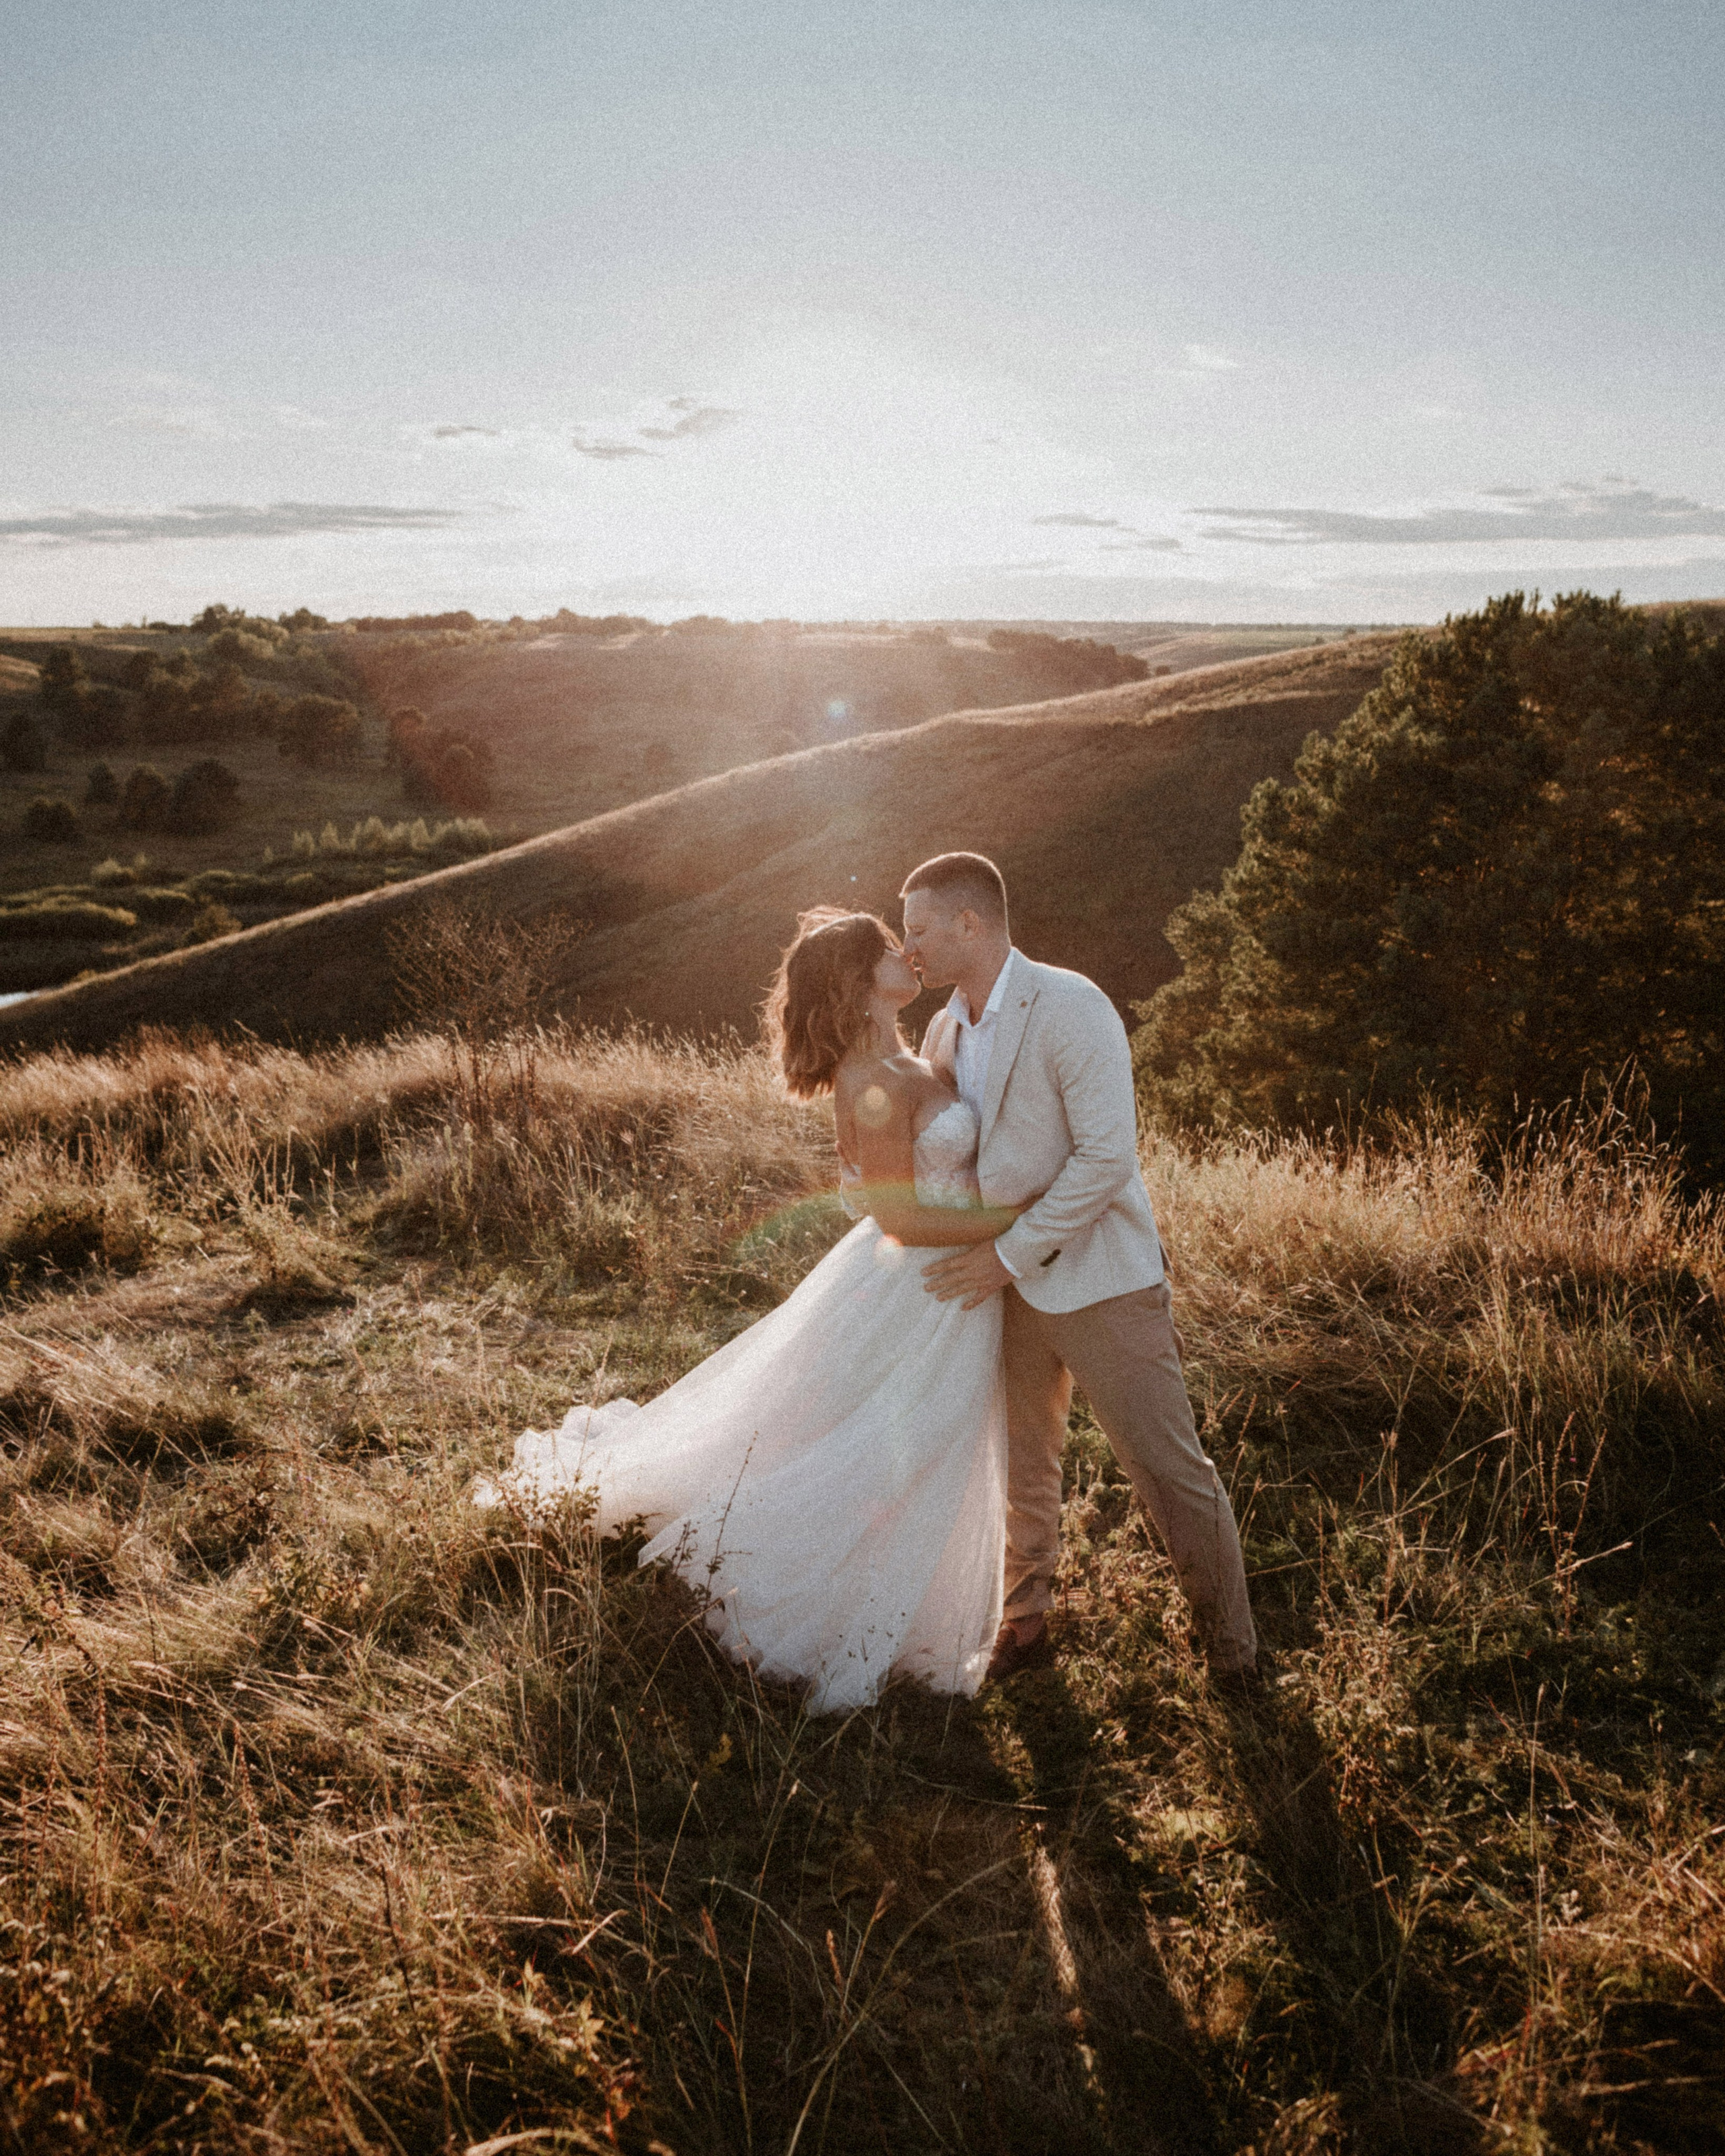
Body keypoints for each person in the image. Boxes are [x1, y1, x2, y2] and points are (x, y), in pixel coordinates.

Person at [474, 908, 1018, 1713]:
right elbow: (899, 1216)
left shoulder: (925, 1050)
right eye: (885, 946)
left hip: (957, 1283)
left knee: (936, 1438)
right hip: (919, 1285)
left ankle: (913, 1610)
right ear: (858, 976)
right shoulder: (866, 1081)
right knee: (898, 1439)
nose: (906, 952)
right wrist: (1016, 1226)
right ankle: (817, 1595)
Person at [899, 852, 1259, 1688]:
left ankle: (1234, 1653)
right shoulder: (943, 1029)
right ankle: (1025, 1619)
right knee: (1023, 1460)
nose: (907, 944)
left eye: (918, 927)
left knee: (1167, 1469)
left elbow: (1105, 1158)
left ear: (969, 923)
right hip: (1002, 1294)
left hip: (1102, 1280)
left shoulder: (1070, 1002)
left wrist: (1004, 1255)